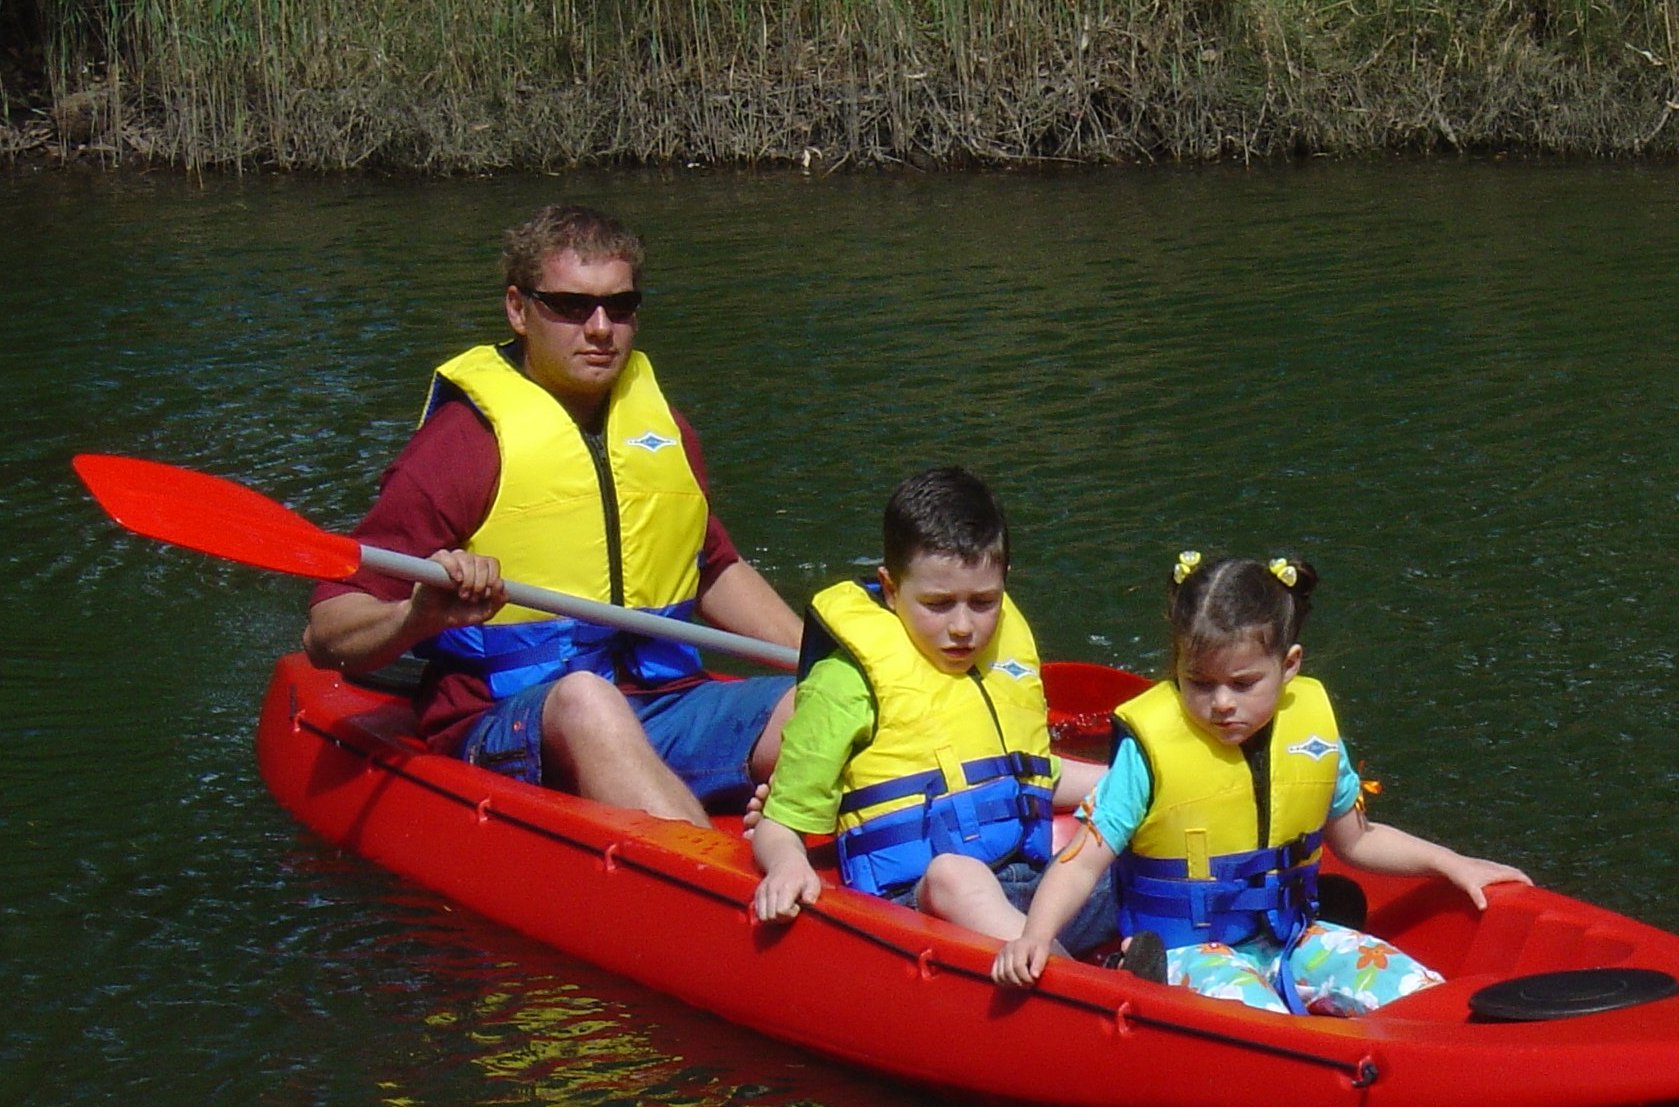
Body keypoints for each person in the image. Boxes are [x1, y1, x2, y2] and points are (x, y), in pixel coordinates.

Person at [303, 203, 801, 824]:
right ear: (518, 309)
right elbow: (326, 634)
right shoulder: (461, 446)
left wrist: (830, 663)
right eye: (570, 306)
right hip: (507, 721)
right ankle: (711, 889)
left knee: (824, 705)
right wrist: (417, 615)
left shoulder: (663, 431)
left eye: (619, 307)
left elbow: (712, 567)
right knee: (587, 701)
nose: (599, 328)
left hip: (670, 703)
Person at [992, 552, 1530, 1015]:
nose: (1222, 702)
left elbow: (1359, 840)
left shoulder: (1311, 732)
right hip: (1184, 950)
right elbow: (1083, 860)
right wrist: (1036, 935)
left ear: (1289, 664)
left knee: (1418, 992)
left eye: (1243, 683)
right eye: (1199, 683)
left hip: (1290, 937)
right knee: (1266, 1020)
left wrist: (1453, 864)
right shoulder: (1148, 751)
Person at [750, 468, 1116, 952]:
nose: (963, 627)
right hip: (924, 903)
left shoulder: (1001, 660)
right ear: (890, 585)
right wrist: (787, 863)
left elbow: (1034, 776)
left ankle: (1173, 960)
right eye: (939, 604)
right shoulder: (845, 685)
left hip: (1030, 888)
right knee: (954, 875)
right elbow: (778, 822)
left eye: (983, 602)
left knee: (1134, 842)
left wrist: (1136, 783)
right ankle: (1072, 982)